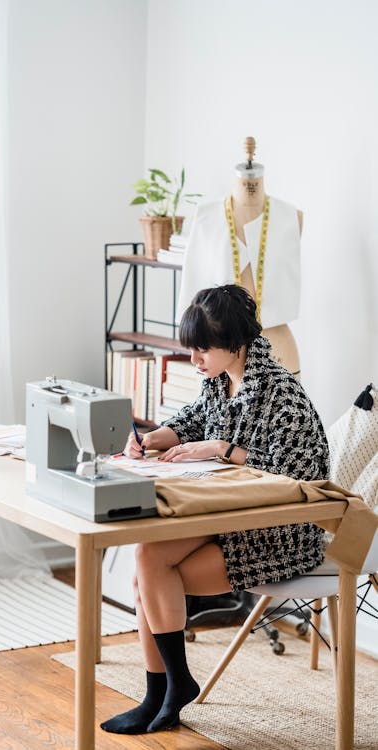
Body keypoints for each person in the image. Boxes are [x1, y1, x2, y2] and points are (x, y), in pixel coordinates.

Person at [100, 284, 329, 735]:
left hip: (277, 530)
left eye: (203, 349)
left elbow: (305, 470)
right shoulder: (220, 379)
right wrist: (156, 437)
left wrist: (225, 448)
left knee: (152, 570)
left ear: (235, 343)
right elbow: (193, 419)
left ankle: (168, 689)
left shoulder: (281, 392)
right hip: (227, 515)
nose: (195, 359)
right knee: (148, 556)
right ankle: (162, 691)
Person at [177, 138, 303, 376]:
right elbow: (192, 287)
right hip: (222, 348)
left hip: (277, 346)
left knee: (284, 410)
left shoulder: (290, 216)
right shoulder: (206, 217)